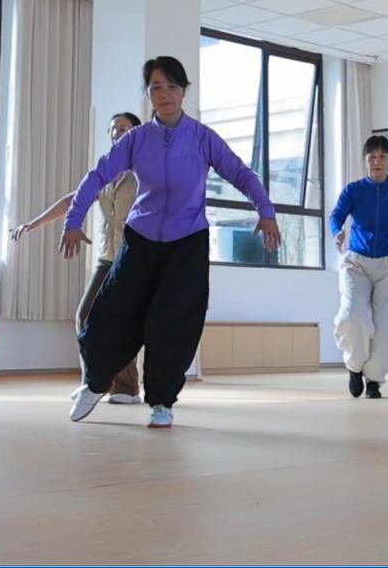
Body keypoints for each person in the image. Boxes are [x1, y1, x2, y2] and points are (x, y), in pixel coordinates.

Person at [62, 56, 281, 430]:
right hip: (141, 240)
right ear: (148, 93)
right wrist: (73, 219)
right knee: (111, 312)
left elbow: (242, 174)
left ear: (184, 91)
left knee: (173, 323)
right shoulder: (136, 139)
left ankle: (162, 401)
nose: (164, 94)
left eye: (172, 87)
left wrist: (266, 211)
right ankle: (95, 383)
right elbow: (97, 175)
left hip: (187, 243)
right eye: (155, 87)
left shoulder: (202, 137)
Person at [12, 112, 145, 405]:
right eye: (113, 129)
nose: (117, 133)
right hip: (107, 256)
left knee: (123, 321)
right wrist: (33, 224)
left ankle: (126, 388)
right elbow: (73, 200)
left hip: (134, 256)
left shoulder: (144, 171)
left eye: (124, 128)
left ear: (136, 132)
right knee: (85, 315)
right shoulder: (105, 172)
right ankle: (92, 383)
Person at [329, 134, 388, 401]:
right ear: (365, 161)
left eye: (382, 157)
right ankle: (354, 366)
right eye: (371, 157)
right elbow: (336, 215)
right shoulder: (353, 190)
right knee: (354, 315)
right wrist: (337, 231)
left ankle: (374, 379)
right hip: (356, 262)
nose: (377, 162)